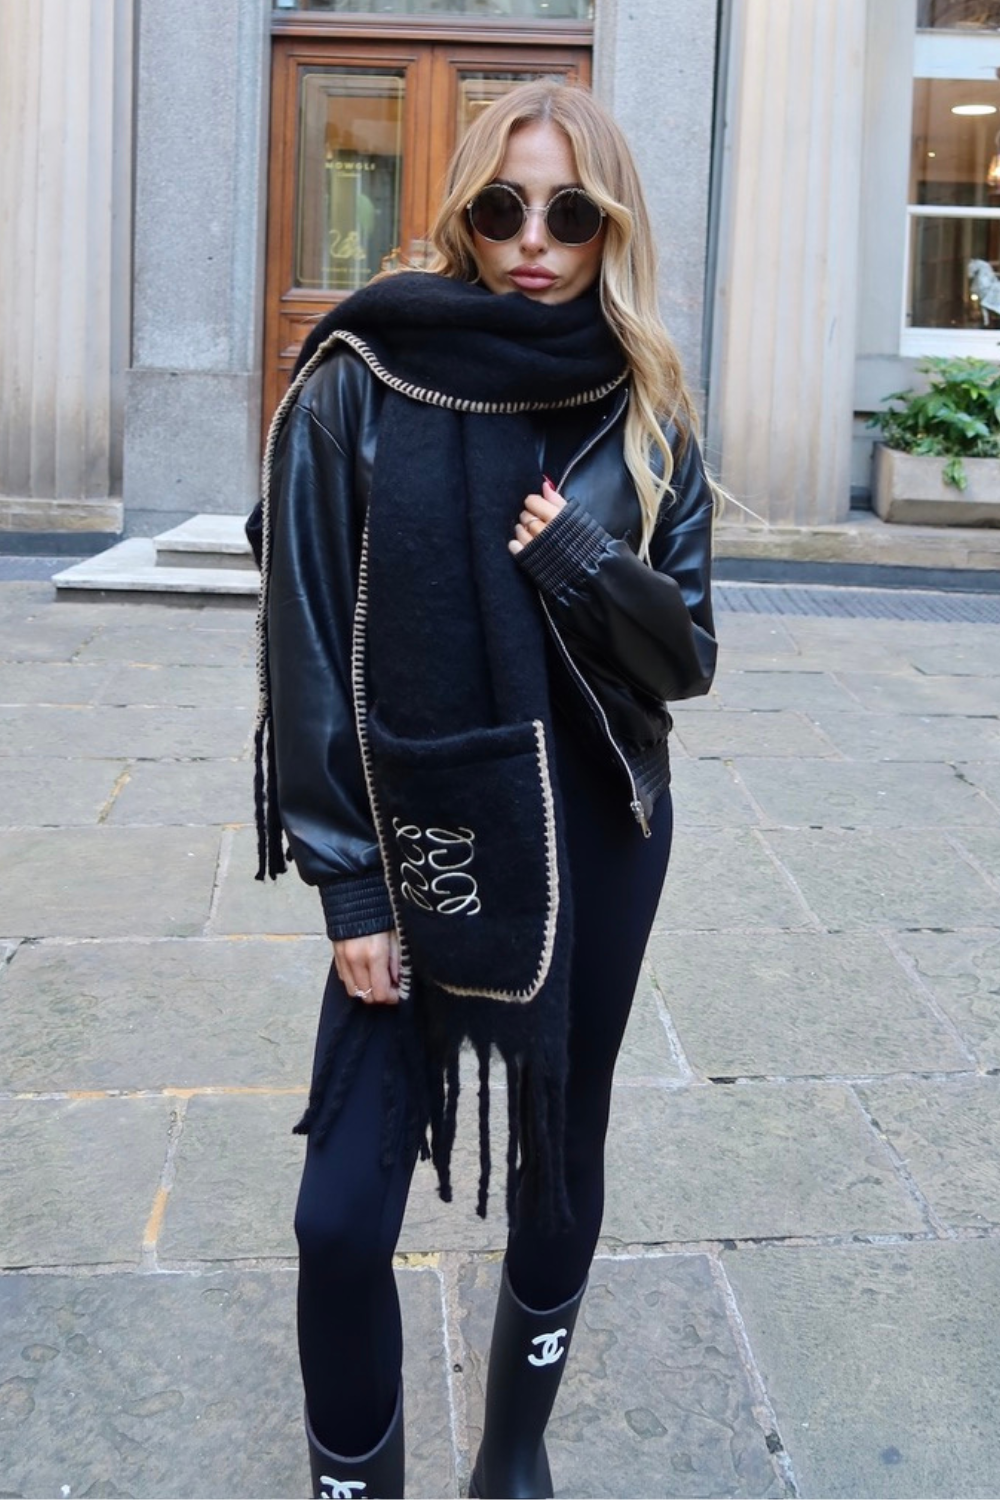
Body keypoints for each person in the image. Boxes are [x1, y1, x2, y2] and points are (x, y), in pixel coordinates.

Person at [251, 78, 718, 1500]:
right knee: (340, 1217)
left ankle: (513, 1456)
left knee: (560, 1153)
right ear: (465, 209)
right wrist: (349, 882)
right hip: (424, 844)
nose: (534, 240)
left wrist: (582, 562)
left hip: (597, 833)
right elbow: (306, 645)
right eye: (507, 206)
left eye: (571, 214)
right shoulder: (361, 379)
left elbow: (688, 657)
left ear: (609, 229)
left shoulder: (643, 406)